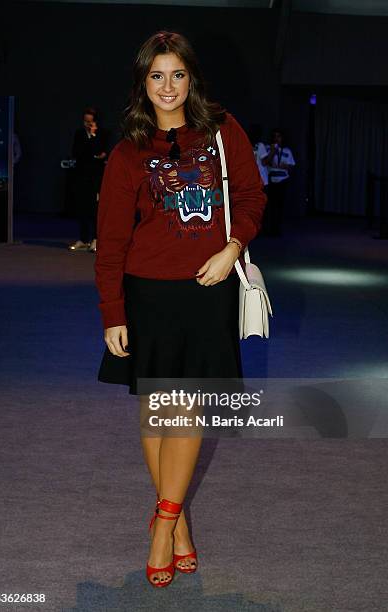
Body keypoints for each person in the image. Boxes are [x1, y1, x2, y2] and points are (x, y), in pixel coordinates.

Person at [94, 31, 266, 588]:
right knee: (157, 411)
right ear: (142, 83)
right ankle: (179, 522)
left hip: (208, 286)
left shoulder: (221, 129)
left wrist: (232, 248)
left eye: (178, 75)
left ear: (191, 78)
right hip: (148, 291)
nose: (168, 87)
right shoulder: (126, 152)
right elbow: (112, 241)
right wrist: (112, 313)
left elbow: (250, 197)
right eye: (156, 76)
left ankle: (163, 526)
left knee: (186, 408)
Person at [69, 107, 108, 252]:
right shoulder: (79, 134)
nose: (87, 124)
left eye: (90, 122)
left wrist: (92, 136)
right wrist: (92, 153)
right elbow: (76, 152)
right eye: (85, 121)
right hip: (82, 176)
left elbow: (101, 152)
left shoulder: (103, 134)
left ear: (95, 122)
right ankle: (84, 239)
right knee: (82, 208)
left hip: (96, 178)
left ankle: (96, 240)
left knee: (96, 209)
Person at [262, 128, 295, 236]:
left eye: (279, 136)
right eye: (275, 136)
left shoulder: (287, 151)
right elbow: (266, 162)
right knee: (270, 206)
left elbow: (291, 166)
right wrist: (272, 151)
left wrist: (282, 166)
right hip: (271, 181)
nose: (276, 139)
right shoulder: (268, 148)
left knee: (279, 206)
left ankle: (277, 229)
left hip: (282, 181)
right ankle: (268, 229)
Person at [248, 123, 269, 189]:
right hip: (261, 178)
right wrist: (272, 152)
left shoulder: (246, 145)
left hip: (251, 179)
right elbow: (264, 162)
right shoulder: (260, 145)